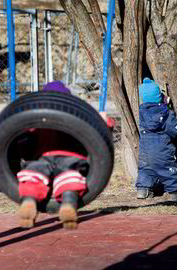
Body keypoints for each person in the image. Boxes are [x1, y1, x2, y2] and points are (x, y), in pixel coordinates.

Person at [16, 81, 115, 229]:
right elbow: (99, 131)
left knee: (33, 177)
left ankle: (29, 201)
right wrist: (105, 120)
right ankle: (68, 203)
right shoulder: (77, 116)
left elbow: (24, 137)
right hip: (70, 158)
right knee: (70, 180)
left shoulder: (38, 119)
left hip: (43, 157)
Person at [135, 78, 177, 202]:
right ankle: (176, 193)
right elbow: (175, 130)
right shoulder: (165, 113)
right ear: (158, 97)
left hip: (145, 149)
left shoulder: (142, 111)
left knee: (146, 169)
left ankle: (143, 190)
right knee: (167, 168)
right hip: (161, 148)